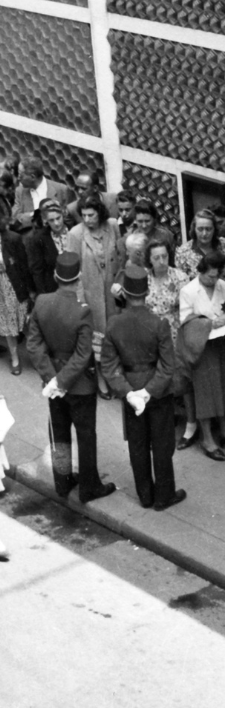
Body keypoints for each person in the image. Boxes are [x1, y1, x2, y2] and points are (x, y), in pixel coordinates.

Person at [25, 251, 115, 503]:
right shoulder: (82, 312)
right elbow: (83, 353)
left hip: (53, 385)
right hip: (80, 385)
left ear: (55, 276)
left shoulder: (42, 302)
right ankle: (89, 487)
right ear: (78, 279)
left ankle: (63, 483)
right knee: (86, 436)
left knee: (59, 434)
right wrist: (62, 381)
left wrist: (52, 378)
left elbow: (34, 345)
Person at [100, 264, 185, 511]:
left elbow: (109, 365)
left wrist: (129, 392)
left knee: (137, 444)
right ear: (147, 292)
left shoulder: (114, 324)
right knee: (162, 444)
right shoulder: (158, 323)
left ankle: (145, 496)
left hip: (130, 389)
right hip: (157, 392)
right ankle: (164, 495)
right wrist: (148, 392)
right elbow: (168, 366)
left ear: (124, 293)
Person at [178, 251, 225, 461]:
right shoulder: (189, 291)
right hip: (202, 347)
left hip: (222, 343)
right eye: (209, 277)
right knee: (205, 391)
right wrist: (208, 324)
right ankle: (207, 438)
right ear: (201, 272)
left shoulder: (224, 287)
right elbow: (185, 321)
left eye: (217, 276)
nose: (214, 280)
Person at [67, 192, 125, 400]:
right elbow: (73, 272)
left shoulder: (112, 226)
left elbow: (120, 257)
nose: (88, 220)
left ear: (100, 213)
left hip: (113, 295)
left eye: (91, 215)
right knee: (97, 339)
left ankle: (116, 377)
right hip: (91, 298)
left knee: (116, 337)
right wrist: (80, 301)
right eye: (84, 215)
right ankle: (101, 379)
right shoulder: (75, 234)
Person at [0, 211, 31, 373]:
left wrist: (28, 291)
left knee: (25, 321)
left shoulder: (12, 238)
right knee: (6, 324)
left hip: (13, 285)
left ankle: (40, 359)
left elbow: (24, 267)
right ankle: (15, 359)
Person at [11, 156, 73, 232]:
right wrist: (35, 215)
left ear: (32, 177)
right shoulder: (19, 191)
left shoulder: (61, 189)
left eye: (21, 175)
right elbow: (14, 217)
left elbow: (69, 219)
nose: (18, 178)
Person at [145, 239, 186, 346]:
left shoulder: (180, 278)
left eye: (164, 256)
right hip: (149, 332)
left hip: (173, 333)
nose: (162, 261)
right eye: (156, 258)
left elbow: (187, 309)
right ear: (149, 259)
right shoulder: (144, 278)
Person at [176, 208, 225, 282]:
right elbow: (181, 282)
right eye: (200, 229)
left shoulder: (223, 244)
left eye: (208, 229)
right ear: (194, 229)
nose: (204, 234)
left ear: (214, 229)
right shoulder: (183, 252)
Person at [25, 199, 68, 296]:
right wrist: (43, 295)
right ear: (46, 221)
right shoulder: (39, 239)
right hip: (54, 289)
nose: (56, 223)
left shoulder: (74, 231)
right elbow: (37, 270)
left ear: (63, 215)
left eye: (58, 218)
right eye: (51, 220)